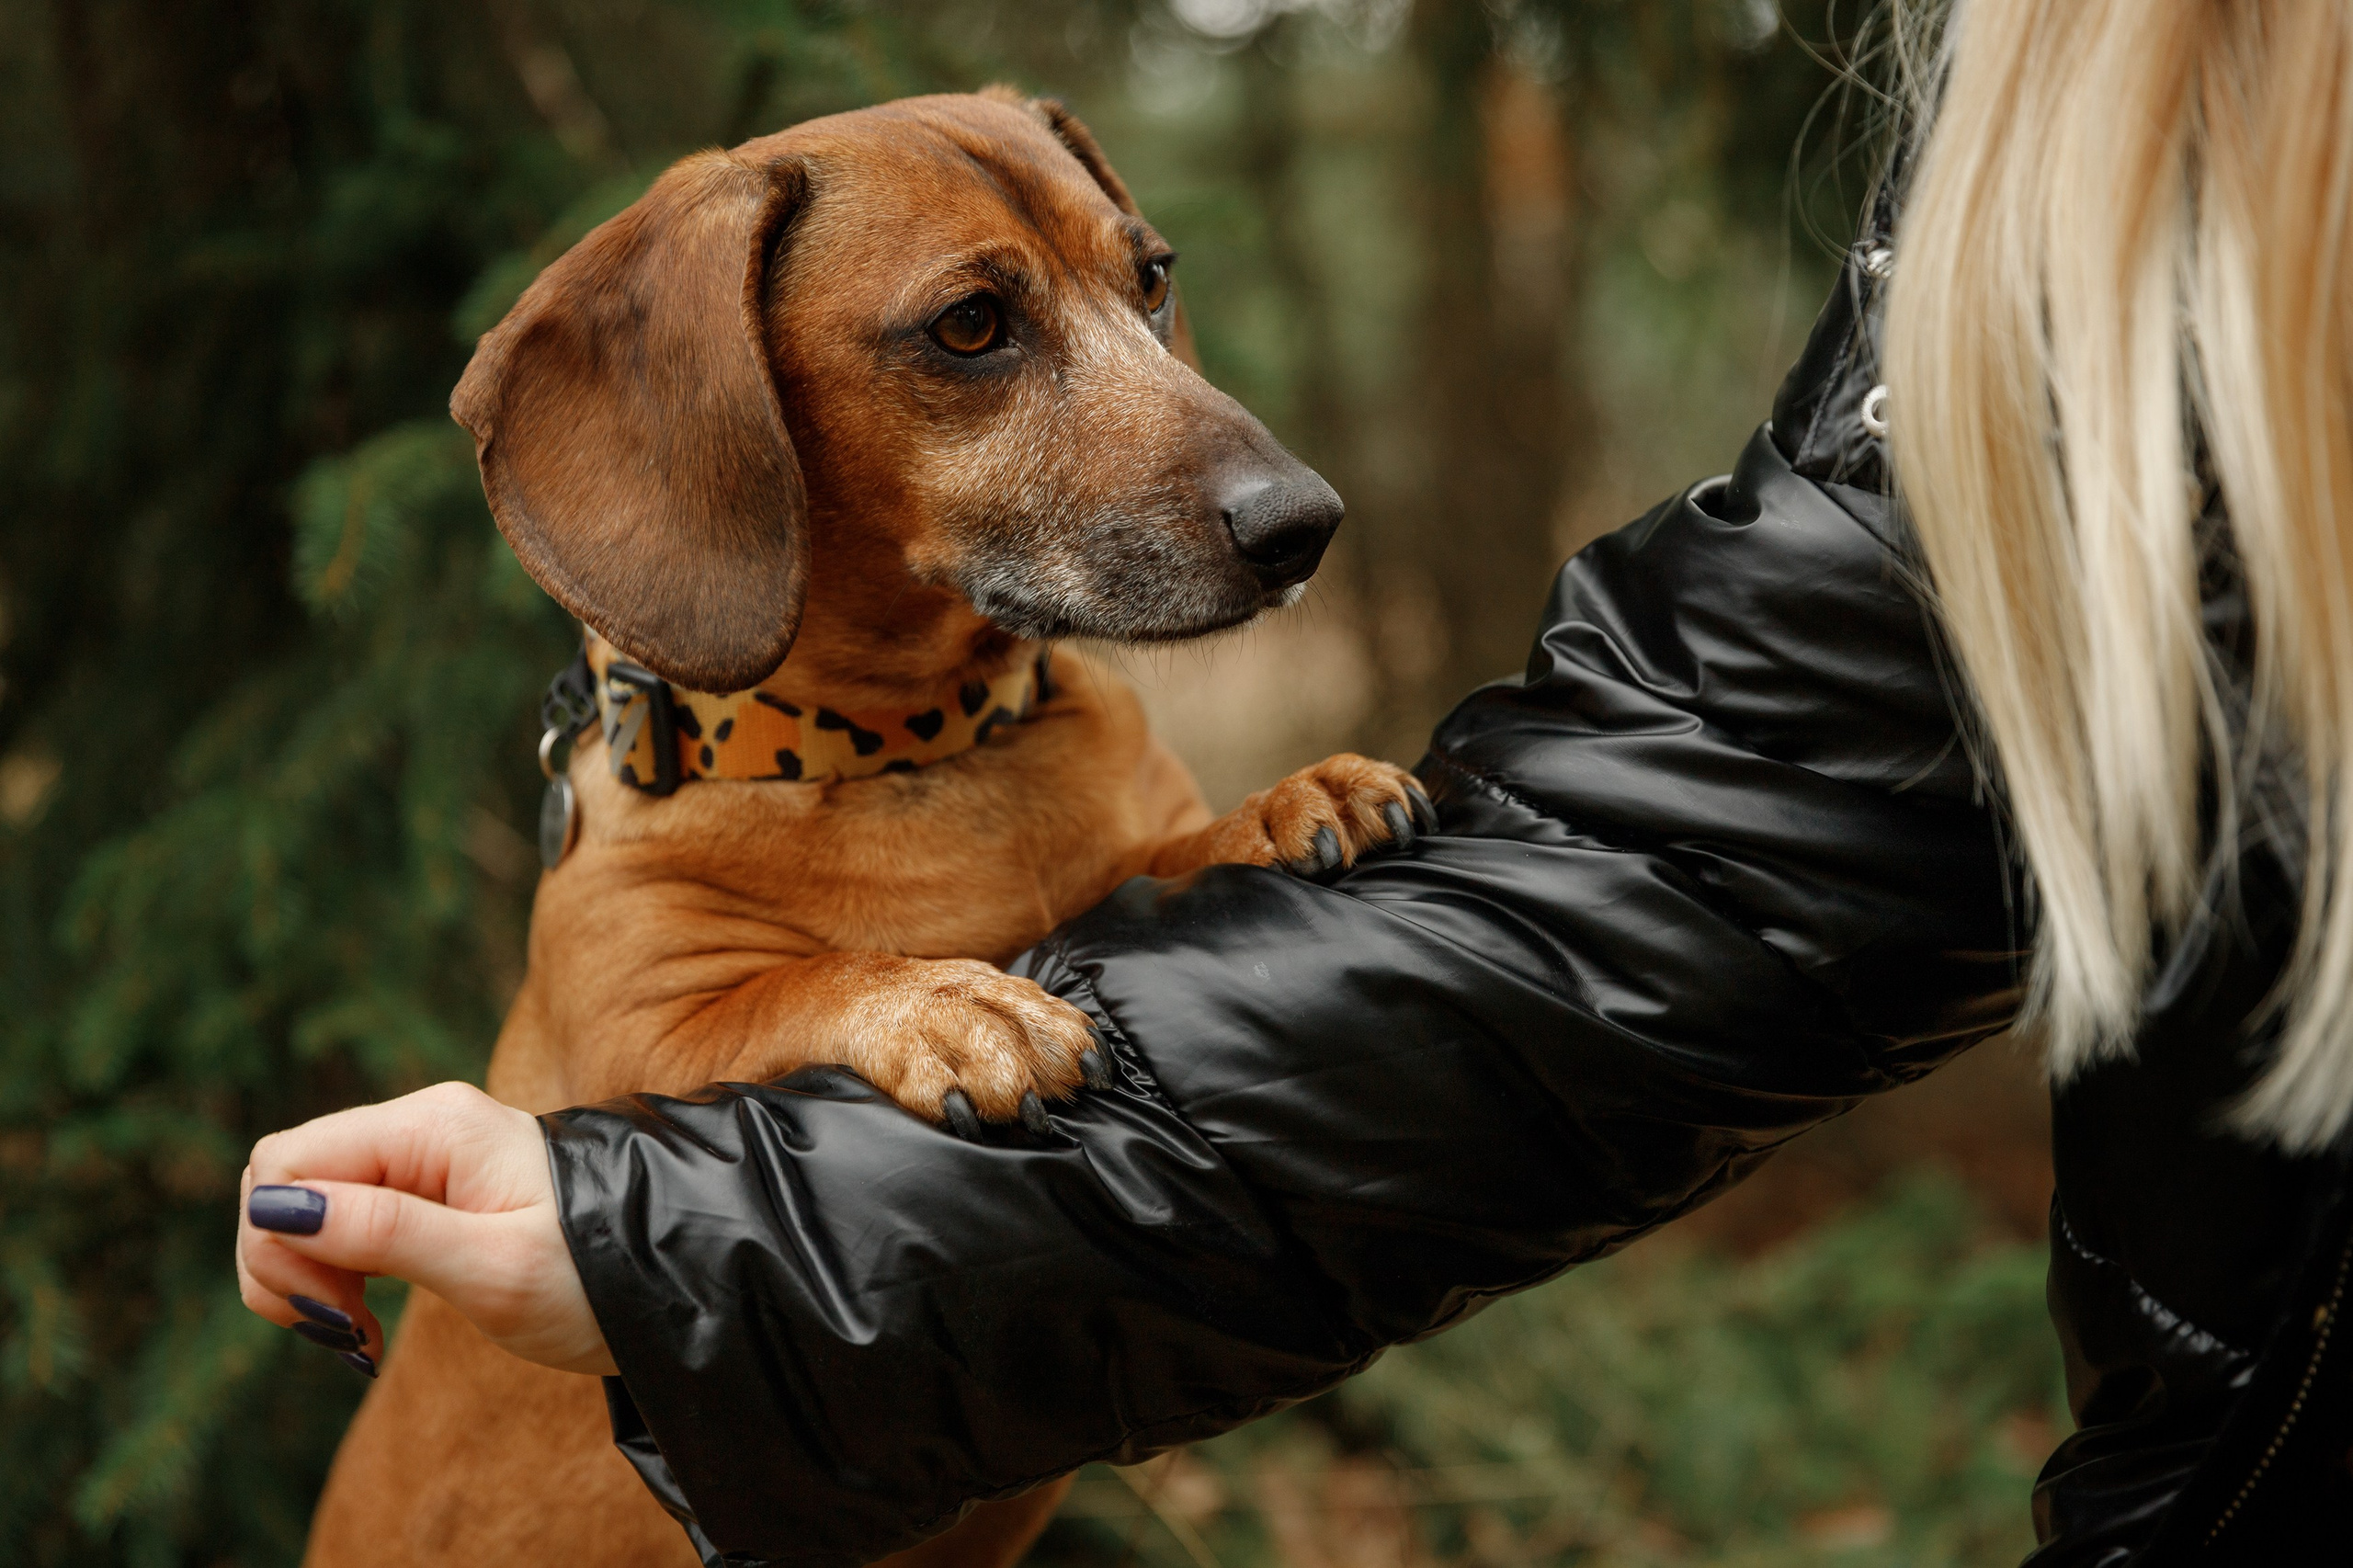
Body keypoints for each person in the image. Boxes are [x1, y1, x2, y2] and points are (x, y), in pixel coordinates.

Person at [235, 0, 2353, 1561]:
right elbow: (682, 1052)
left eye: (1135, 289)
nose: (1224, 458)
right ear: (711, 418)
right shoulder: (657, 858)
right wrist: (841, 1017)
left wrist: (1228, 861)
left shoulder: (1064, 731)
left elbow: (1198, 1027)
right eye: (975, 337)